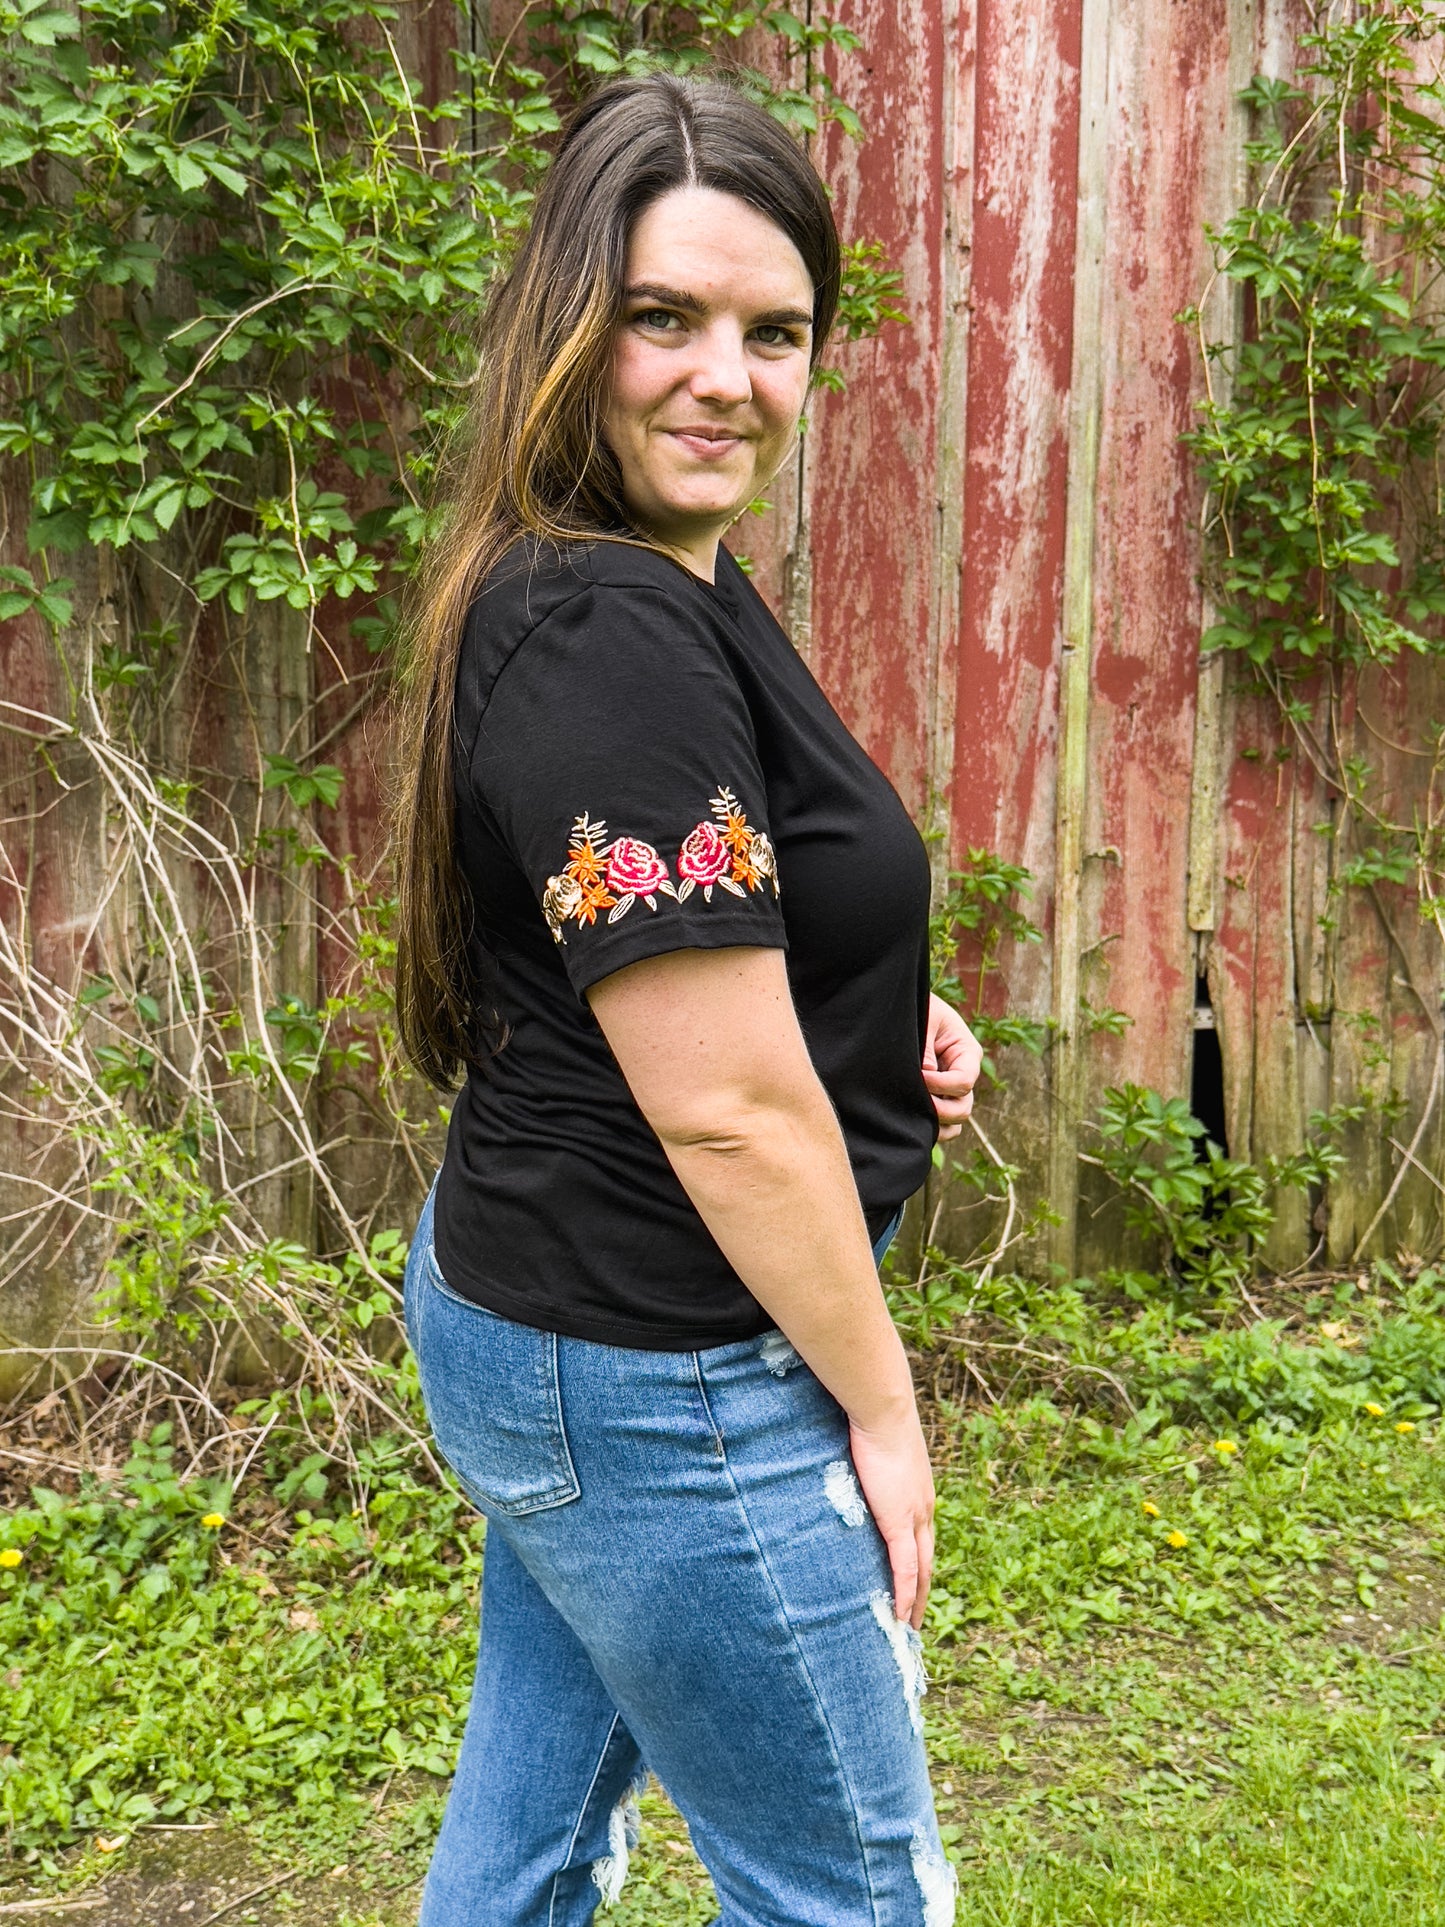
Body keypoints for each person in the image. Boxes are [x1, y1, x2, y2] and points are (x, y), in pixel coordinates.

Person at [392, 69, 981, 1927]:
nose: (725, 375)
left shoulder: (650, 578)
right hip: (668, 1370)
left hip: (553, 1323)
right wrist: (878, 1414)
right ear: (570, 325)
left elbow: (708, 918)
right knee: (851, 1902)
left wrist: (886, 1009)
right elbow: (721, 1107)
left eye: (774, 331)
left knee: (531, 1846)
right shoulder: (606, 633)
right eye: (664, 318)